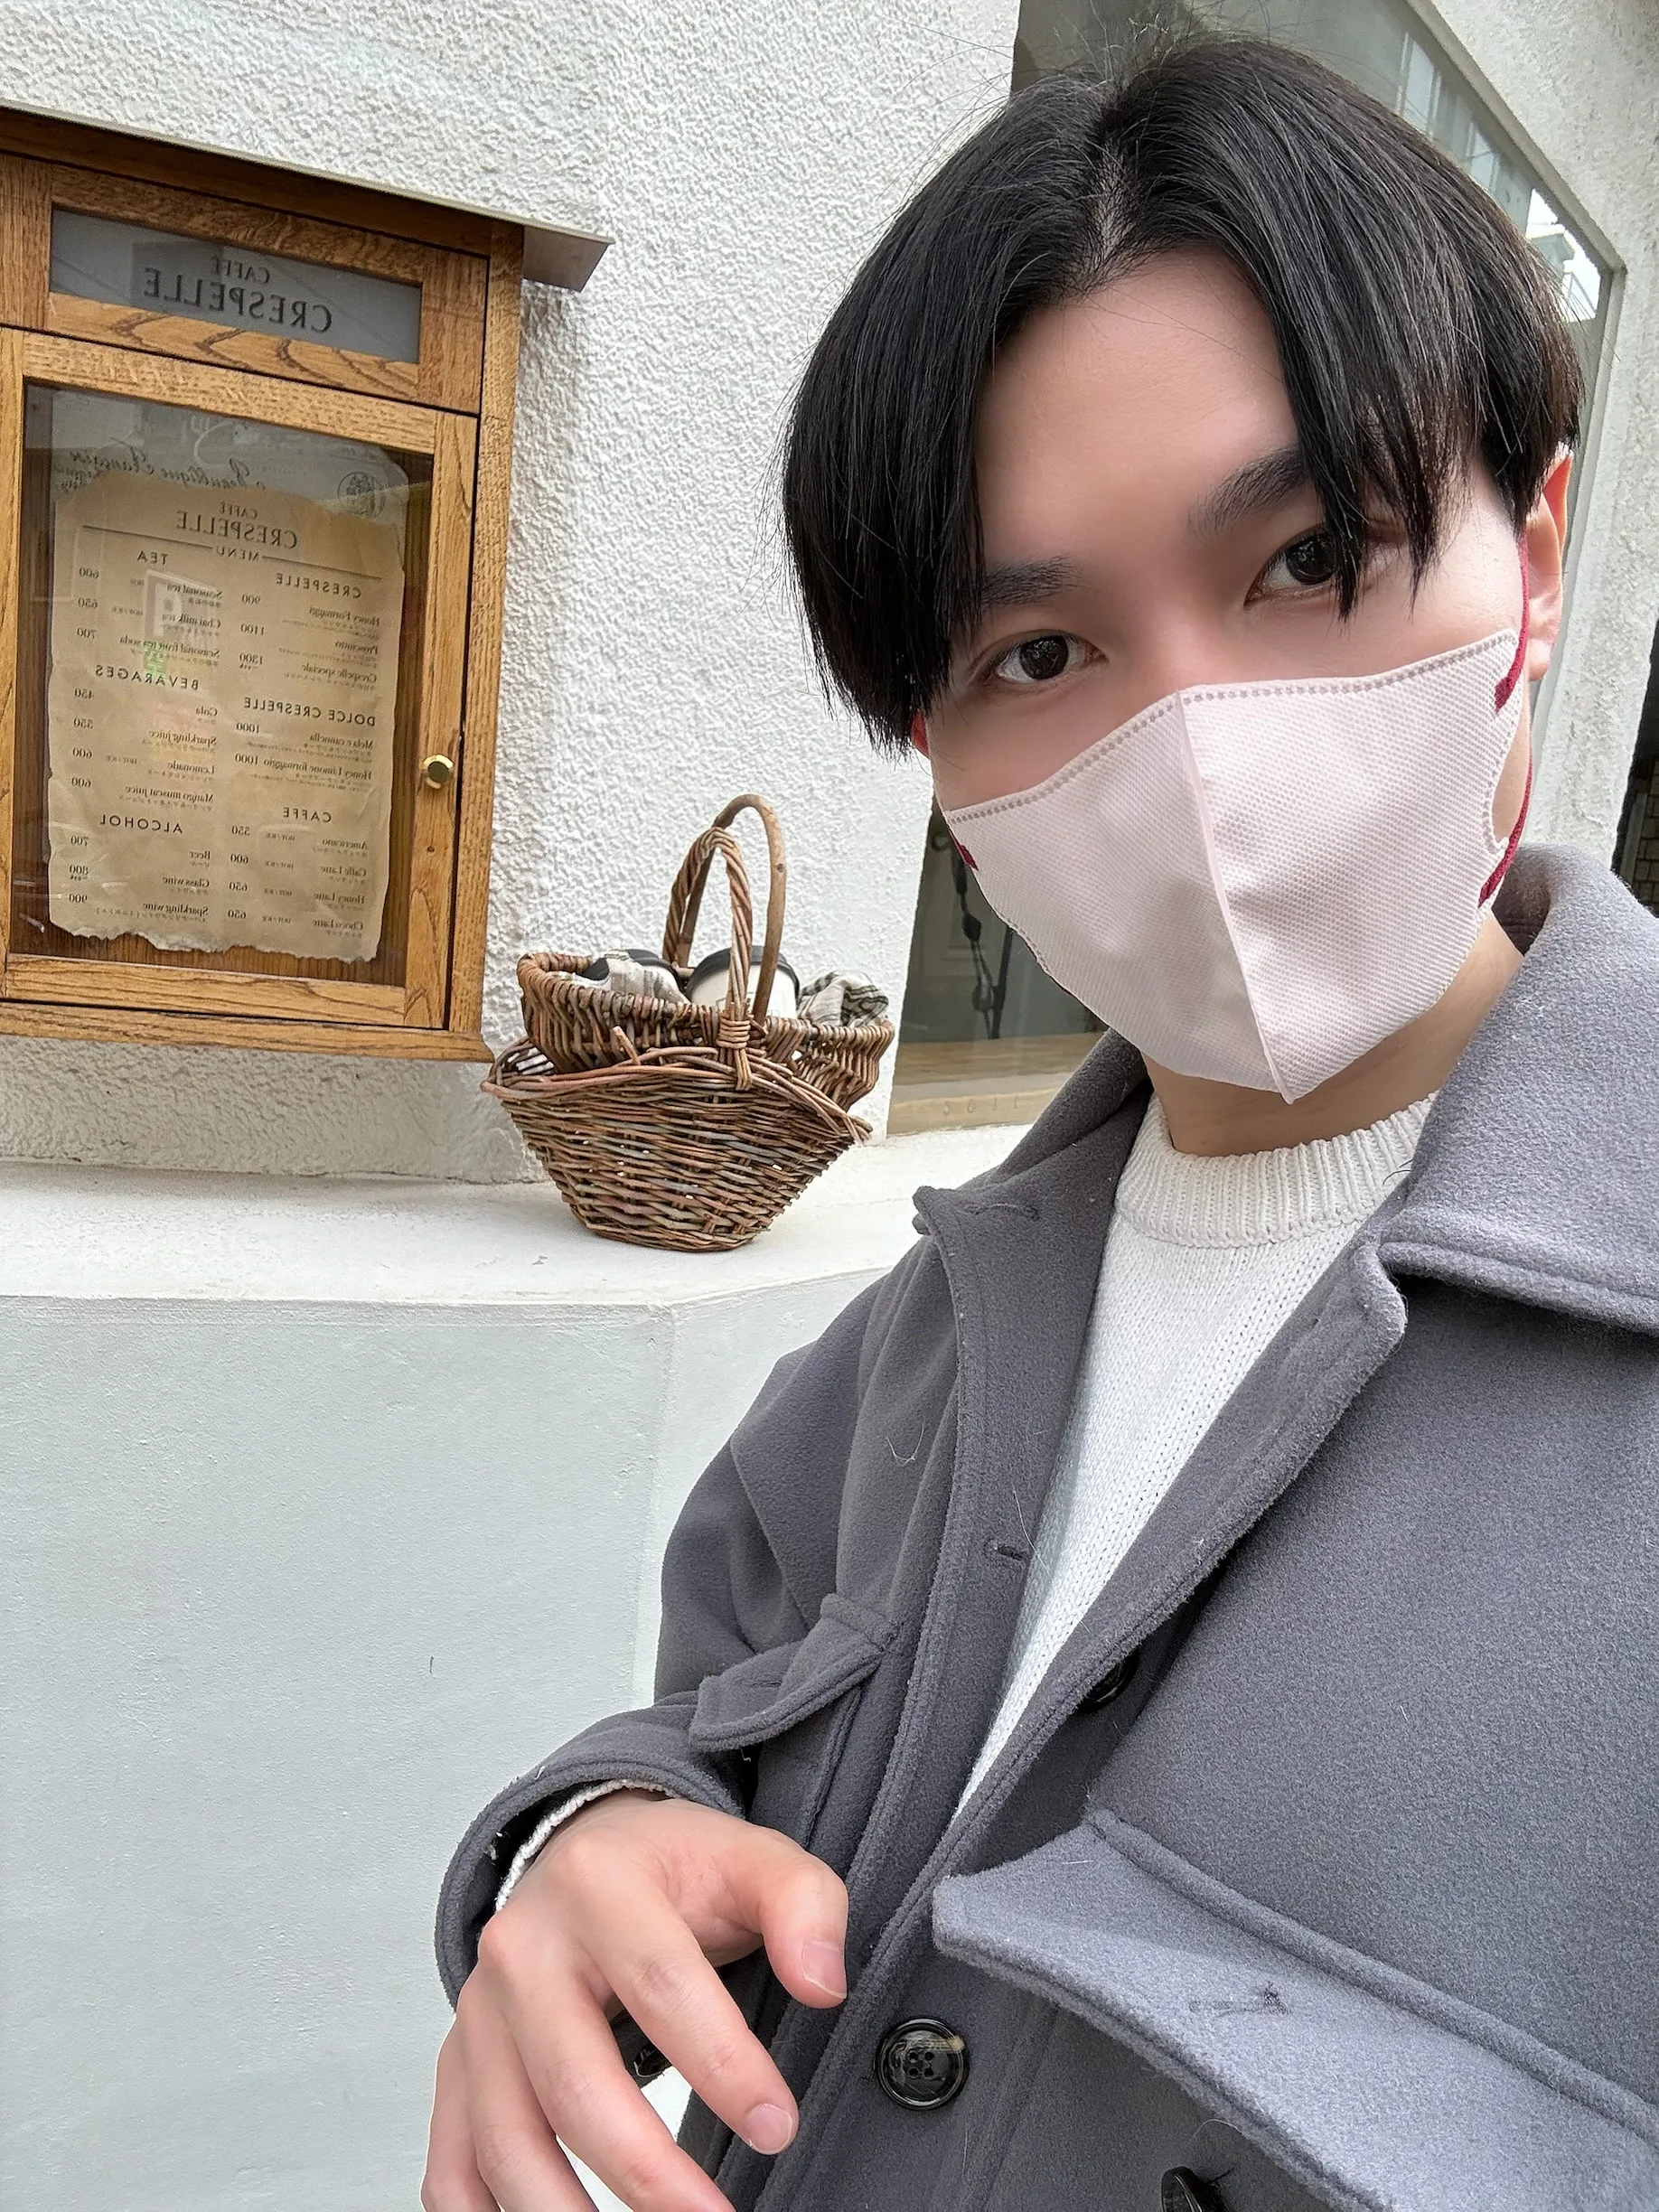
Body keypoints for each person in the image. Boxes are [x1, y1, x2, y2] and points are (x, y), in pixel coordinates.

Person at [424, 37, 1659, 2212]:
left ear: (1536, 551)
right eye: (1042, 652)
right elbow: (724, 1728)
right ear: (942, 763)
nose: (1199, 741)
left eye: (1309, 557)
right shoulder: (900, 1362)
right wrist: (587, 1839)